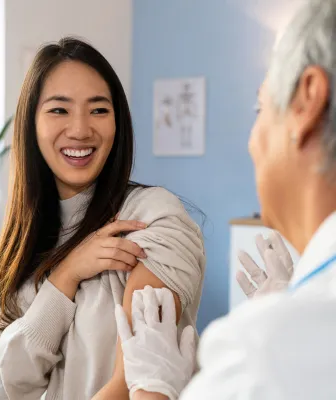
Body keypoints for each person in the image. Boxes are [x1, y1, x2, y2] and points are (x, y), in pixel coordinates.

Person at [115, 0, 336, 398]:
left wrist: (157, 387)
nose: (252, 142)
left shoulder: (265, 350)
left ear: (307, 100)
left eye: (260, 108)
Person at [0, 37, 206, 400]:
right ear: (31, 124)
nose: (81, 129)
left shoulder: (152, 217)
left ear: (118, 122)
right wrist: (65, 276)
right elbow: (7, 383)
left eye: (99, 110)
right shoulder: (21, 243)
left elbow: (131, 382)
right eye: (59, 110)